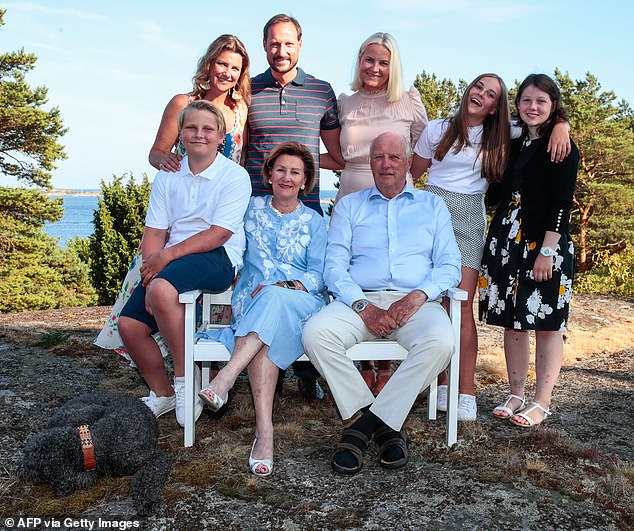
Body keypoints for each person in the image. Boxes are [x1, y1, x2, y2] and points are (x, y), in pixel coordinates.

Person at [410, 74, 570, 421]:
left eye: (491, 94)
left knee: (461, 307)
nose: (481, 95)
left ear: (497, 106)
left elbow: (541, 114)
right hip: (433, 213)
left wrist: (563, 125)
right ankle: (441, 383)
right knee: (433, 303)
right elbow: (412, 174)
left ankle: (465, 390)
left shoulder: (503, 134)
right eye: (478, 88)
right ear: (468, 90)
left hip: (470, 216)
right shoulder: (437, 129)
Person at [302, 132, 461, 476]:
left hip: (416, 303)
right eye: (378, 158)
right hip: (362, 300)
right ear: (370, 163)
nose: (386, 164)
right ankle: (385, 426)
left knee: (442, 342)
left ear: (407, 163)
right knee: (316, 333)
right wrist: (362, 306)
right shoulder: (349, 205)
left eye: (394, 157)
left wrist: (417, 296)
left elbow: (449, 265)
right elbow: (334, 266)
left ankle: (362, 428)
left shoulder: (431, 206)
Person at [95, 35, 250, 357]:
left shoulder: (240, 109)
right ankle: (161, 347)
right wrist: (165, 162)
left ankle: (207, 358)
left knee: (213, 287)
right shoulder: (183, 102)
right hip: (182, 198)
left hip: (220, 203)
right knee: (153, 278)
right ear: (209, 64)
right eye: (222, 63)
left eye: (235, 68)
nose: (227, 72)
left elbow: (240, 159)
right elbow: (157, 152)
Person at [196, 142, 328, 476]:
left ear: (305, 182)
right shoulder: (249, 209)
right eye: (280, 169)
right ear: (268, 175)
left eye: (295, 172)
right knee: (264, 326)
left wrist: (281, 287)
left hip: (300, 304)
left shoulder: (315, 221)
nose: (287, 177)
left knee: (272, 299)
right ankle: (264, 433)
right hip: (250, 304)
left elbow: (318, 276)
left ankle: (225, 379)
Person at [117, 100, 251, 427]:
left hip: (218, 257)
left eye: (208, 129)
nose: (199, 135)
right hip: (172, 259)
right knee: (129, 326)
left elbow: (218, 234)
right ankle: (163, 393)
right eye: (191, 128)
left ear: (222, 136)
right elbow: (155, 233)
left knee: (163, 289)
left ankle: (184, 380)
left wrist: (164, 262)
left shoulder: (234, 176)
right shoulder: (169, 175)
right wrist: (151, 270)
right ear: (181, 134)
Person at [321, 31, 428, 396]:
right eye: (369, 59)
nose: (375, 68)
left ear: (393, 66)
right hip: (352, 193)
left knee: (390, 272)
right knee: (354, 272)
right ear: (359, 60)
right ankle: (360, 363)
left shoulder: (409, 101)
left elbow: (424, 150)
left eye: (384, 62)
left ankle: (385, 366)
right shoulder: (344, 102)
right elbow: (335, 154)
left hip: (395, 196)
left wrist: (402, 183)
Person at [244, 13, 343, 399]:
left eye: (288, 43)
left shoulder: (321, 91)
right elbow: (239, 151)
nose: (280, 50)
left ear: (300, 45)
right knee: (259, 284)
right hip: (256, 212)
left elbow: (335, 154)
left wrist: (296, 164)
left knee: (305, 286)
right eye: (273, 43)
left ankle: (306, 371)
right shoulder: (247, 91)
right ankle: (259, 363)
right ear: (264, 44)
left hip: (307, 211)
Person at [479, 74, 578, 428]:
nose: (533, 107)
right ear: (517, 104)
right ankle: (516, 393)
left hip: (544, 243)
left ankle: (542, 401)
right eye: (526, 100)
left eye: (541, 101)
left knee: (547, 324)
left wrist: (547, 253)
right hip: (507, 242)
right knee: (513, 322)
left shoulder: (561, 143)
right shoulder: (516, 139)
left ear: (553, 106)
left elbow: (562, 203)